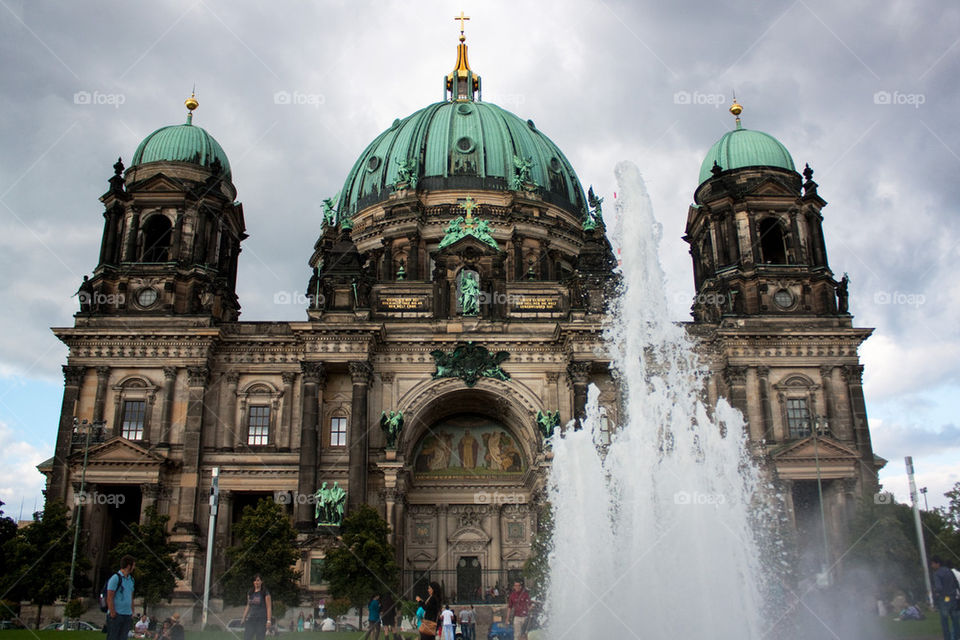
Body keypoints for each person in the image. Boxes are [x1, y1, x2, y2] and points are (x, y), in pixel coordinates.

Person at [106, 555, 136, 640]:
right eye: (133, 565)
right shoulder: (115, 578)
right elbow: (109, 597)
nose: (134, 568)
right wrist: (112, 613)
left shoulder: (131, 579)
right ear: (128, 566)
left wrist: (132, 612)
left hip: (127, 615)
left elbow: (131, 596)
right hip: (117, 615)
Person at [930, 556, 960, 640]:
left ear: (937, 563)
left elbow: (939, 588)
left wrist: (936, 593)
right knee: (955, 621)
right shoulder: (949, 571)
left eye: (932, 564)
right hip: (953, 598)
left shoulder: (937, 573)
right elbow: (956, 583)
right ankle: (957, 637)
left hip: (945, 599)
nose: (932, 566)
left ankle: (948, 638)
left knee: (945, 621)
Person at [240, 574, 272, 640]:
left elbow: (269, 607)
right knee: (247, 637)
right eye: (255, 581)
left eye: (258, 580)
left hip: (261, 620)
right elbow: (248, 605)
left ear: (261, 581)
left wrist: (269, 621)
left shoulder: (265, 592)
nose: (256, 582)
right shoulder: (250, 592)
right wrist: (244, 617)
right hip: (251, 619)